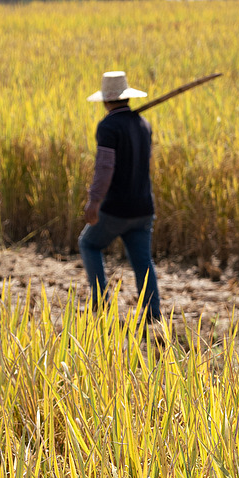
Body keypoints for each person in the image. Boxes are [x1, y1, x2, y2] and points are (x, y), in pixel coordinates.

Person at [79, 71, 159, 323]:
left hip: (116, 209)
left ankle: (100, 306)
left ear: (105, 100)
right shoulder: (143, 124)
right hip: (143, 207)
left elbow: (105, 167)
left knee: (89, 244)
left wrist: (94, 201)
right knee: (143, 263)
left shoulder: (108, 126)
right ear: (126, 97)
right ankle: (153, 317)